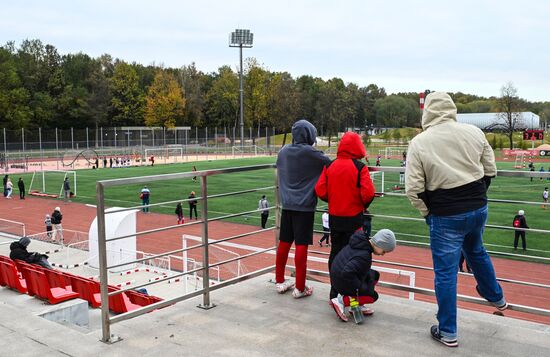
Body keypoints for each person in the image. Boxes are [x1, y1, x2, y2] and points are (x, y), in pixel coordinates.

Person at [405, 92, 507, 348]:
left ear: (427, 111)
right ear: (451, 108)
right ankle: (496, 296)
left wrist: (428, 213)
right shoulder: (473, 132)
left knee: (446, 273)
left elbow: (414, 189)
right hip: (477, 208)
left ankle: (448, 331)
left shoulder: (420, 142)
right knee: (476, 250)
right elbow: (490, 170)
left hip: (445, 215)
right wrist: (475, 196)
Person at [315, 131, 376, 302]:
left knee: (335, 253)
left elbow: (320, 190)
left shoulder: (330, 166)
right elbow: (368, 193)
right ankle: (350, 295)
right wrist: (362, 205)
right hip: (354, 219)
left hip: (335, 217)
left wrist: (332, 199)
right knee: (354, 257)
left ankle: (334, 291)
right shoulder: (359, 167)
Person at [275, 119, 330, 298]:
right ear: (309, 134)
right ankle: (300, 287)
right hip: (304, 207)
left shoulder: (283, 152)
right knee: (301, 246)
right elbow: (330, 164)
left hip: (287, 205)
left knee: (284, 243)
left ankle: (280, 281)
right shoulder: (311, 153)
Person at [330, 229, 396, 322]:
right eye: (384, 251)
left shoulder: (361, 243)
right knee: (372, 296)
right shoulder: (364, 255)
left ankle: (356, 306)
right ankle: (340, 301)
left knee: (375, 275)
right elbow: (347, 273)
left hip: (338, 276)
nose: (383, 254)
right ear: (379, 243)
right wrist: (359, 288)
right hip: (341, 280)